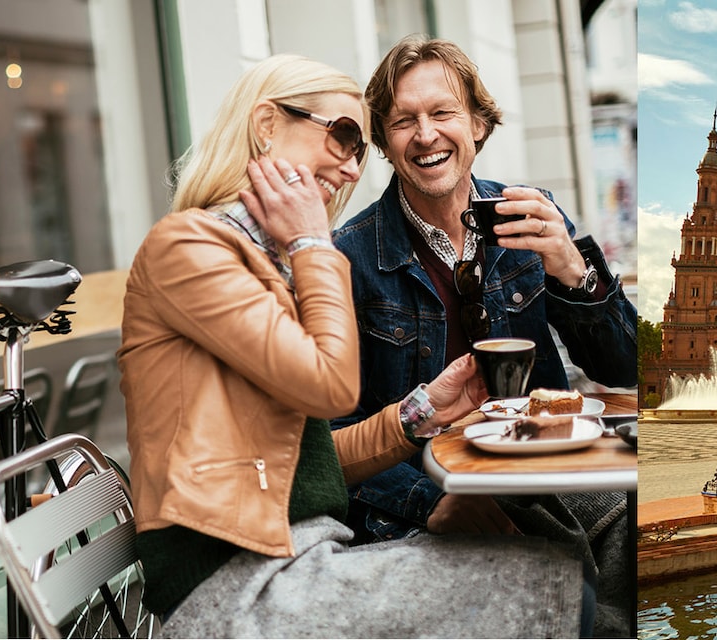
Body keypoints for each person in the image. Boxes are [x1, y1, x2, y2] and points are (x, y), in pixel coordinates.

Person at [117, 54, 591, 638]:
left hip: (306, 549)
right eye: (342, 136)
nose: (349, 168)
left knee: (557, 563)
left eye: (360, 149)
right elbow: (333, 386)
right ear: (266, 126)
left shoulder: (265, 263)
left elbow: (314, 461)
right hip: (235, 581)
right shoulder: (190, 248)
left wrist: (425, 409)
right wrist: (313, 243)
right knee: (550, 584)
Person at [328, 35, 638, 637]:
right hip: (422, 498)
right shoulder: (348, 256)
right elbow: (334, 438)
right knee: (550, 583)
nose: (425, 135)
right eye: (403, 121)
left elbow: (623, 367)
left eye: (442, 113)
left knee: (642, 522)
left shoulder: (530, 215)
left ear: (478, 123)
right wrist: (431, 503)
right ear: (384, 142)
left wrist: (573, 269)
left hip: (543, 472)